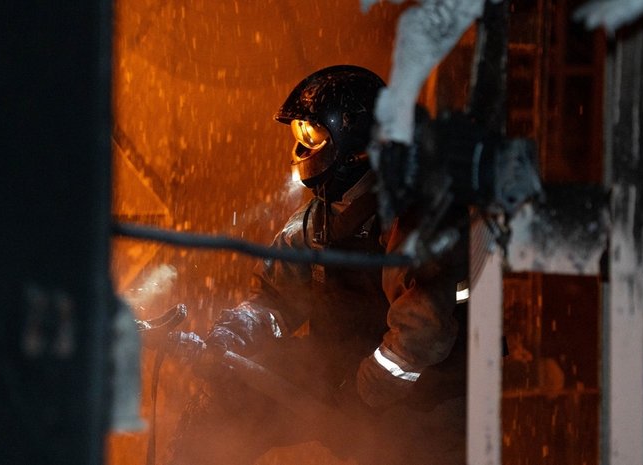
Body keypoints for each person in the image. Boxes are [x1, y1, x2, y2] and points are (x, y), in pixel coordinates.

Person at [166, 64, 469, 465]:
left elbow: (423, 331)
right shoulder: (316, 220)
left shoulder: (412, 217)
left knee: (399, 452)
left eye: (312, 135)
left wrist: (365, 392)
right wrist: (238, 330)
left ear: (354, 138)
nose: (302, 148)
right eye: (299, 134)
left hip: (425, 396)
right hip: (346, 372)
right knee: (229, 398)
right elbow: (275, 298)